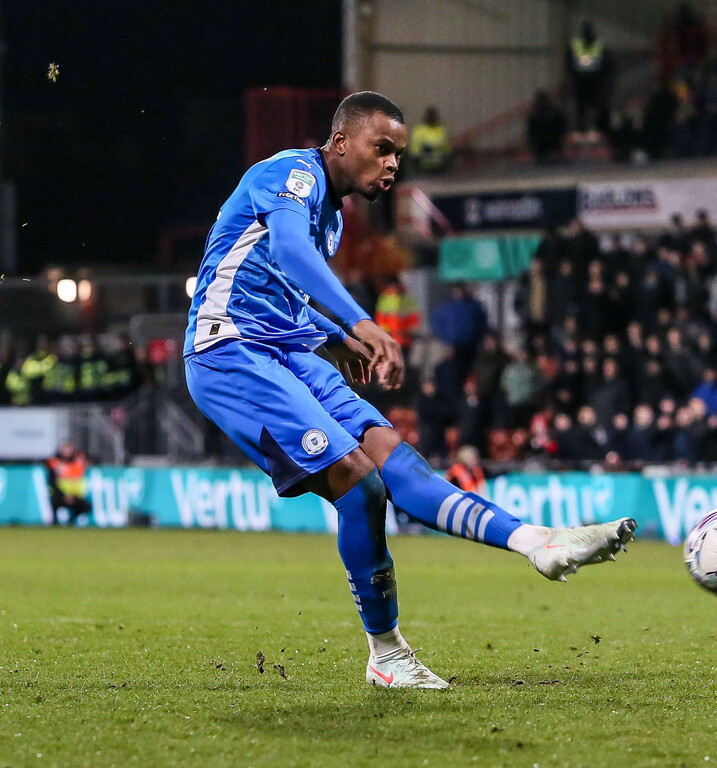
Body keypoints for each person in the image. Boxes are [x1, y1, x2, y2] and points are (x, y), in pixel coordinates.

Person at [182, 91, 636, 691]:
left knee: (395, 459)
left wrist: (337, 336)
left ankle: (538, 543)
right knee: (358, 483)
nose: (393, 163)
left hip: (289, 349)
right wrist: (361, 323)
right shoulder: (290, 172)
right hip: (231, 351)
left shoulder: (336, 218)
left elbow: (283, 291)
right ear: (341, 142)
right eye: (382, 148)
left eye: (398, 153)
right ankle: (387, 653)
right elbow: (288, 253)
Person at [46, 441, 93, 526]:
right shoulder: (55, 463)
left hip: (75, 495)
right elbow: (52, 482)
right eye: (65, 449)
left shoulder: (78, 462)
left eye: (69, 449)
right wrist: (64, 496)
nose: (67, 451)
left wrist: (73, 496)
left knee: (86, 506)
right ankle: (54, 522)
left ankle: (71, 521)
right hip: (60, 495)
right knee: (55, 503)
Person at [409, 106, 452, 173]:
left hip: (440, 167)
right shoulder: (419, 130)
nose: (431, 117)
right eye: (430, 115)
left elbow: (447, 147)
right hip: (423, 167)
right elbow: (415, 148)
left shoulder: (441, 129)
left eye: (433, 115)